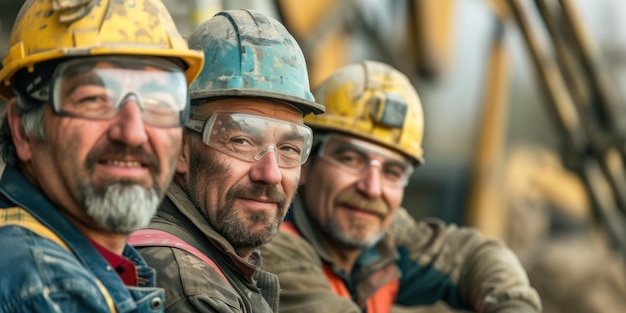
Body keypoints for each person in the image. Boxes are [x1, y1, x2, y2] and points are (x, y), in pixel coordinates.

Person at [258, 60, 543, 313]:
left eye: (392, 171)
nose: (372, 188)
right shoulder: (270, 250)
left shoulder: (379, 243)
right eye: (351, 159)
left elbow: (472, 255)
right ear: (304, 163)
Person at [0, 0, 204, 312]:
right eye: (94, 98)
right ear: (23, 130)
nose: (133, 132)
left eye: (159, 100)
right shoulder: (46, 291)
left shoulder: (100, 263)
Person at [128, 9, 325, 312]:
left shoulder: (220, 262)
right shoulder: (191, 290)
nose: (270, 173)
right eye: (242, 141)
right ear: (180, 148)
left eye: (289, 148)